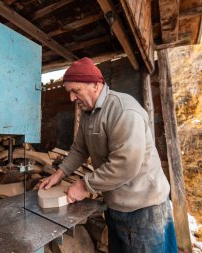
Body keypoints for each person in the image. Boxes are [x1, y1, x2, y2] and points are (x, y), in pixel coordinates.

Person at [39, 57, 177, 253]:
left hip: (144, 208)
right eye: (69, 92)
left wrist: (84, 185)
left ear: (96, 85)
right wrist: (59, 174)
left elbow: (125, 164)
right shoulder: (88, 114)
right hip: (116, 204)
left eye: (75, 91)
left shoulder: (123, 110)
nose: (71, 98)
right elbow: (79, 149)